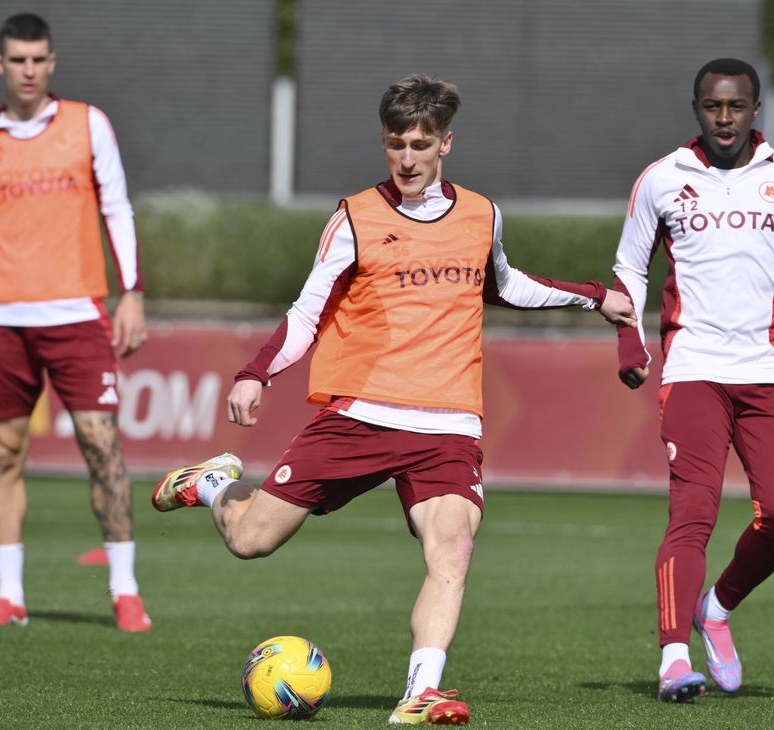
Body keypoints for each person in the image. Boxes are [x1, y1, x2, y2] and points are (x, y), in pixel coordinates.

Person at [152, 74, 637, 724]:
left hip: (447, 422)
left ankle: (420, 692)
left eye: (419, 143)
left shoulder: (480, 213)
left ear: (445, 144)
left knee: (453, 547)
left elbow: (504, 284)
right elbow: (306, 312)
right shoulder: (354, 217)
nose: (406, 158)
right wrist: (256, 373)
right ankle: (212, 485)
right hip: (360, 413)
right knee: (250, 540)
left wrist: (593, 296)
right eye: (394, 144)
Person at [611, 58, 774, 701]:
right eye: (713, 106)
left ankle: (715, 607)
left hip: (768, 373)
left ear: (755, 110)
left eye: (737, 106)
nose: (724, 118)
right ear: (697, 108)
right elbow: (629, 270)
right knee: (692, 514)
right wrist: (629, 336)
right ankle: (672, 659)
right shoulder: (661, 179)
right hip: (692, 370)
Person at [0, 13, 151, 632]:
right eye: (17, 60)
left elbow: (118, 208)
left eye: (38, 59)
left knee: (102, 448)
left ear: (52, 63)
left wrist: (131, 293)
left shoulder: (88, 124)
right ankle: (9, 594)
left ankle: (125, 591)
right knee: (3, 455)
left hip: (78, 313)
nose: (29, 70)